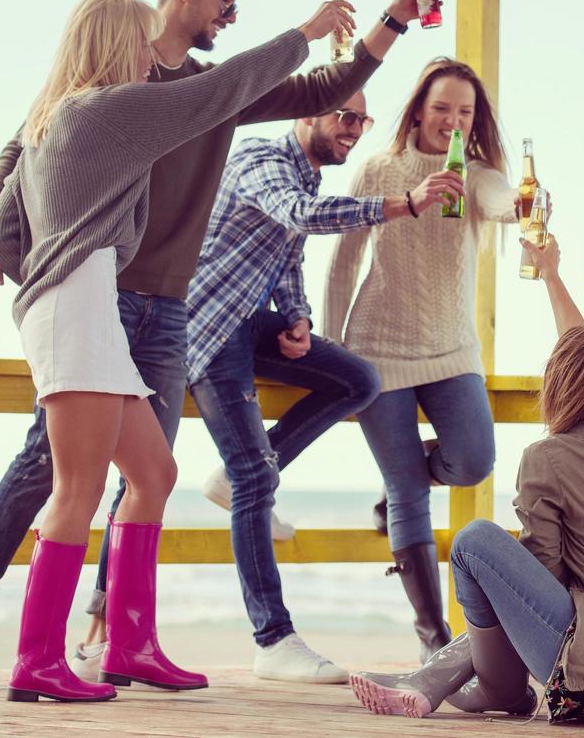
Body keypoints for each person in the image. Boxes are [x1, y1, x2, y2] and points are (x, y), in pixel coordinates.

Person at [0, 0, 426, 690]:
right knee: (66, 476)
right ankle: (3, 636)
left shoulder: (107, 104)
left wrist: (388, 22)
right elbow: (26, 153)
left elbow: (13, 214)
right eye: (224, 1)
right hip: (87, 300)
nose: (231, 15)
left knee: (152, 473)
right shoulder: (126, 102)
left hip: (136, 301)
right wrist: (305, 28)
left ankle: (124, 640)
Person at [183, 87, 464, 684]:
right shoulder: (260, 157)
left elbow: (286, 257)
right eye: (344, 116)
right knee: (255, 477)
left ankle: (239, 473)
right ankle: (273, 640)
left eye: (362, 118)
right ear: (307, 111)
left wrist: (297, 316)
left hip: (252, 322)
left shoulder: (305, 173)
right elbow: (301, 217)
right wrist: (405, 204)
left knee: (357, 378)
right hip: (208, 327)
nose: (355, 128)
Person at [348, 234, 584, 724]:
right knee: (525, 573)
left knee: (474, 543)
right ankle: (435, 679)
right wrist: (552, 276)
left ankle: (493, 689)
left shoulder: (548, 457)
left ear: (561, 385)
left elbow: (540, 576)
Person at [323, 58, 521, 661]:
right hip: (379, 348)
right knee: (409, 487)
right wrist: (330, 348)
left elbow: (500, 200)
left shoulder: (477, 174)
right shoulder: (379, 170)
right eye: (442, 110)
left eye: (465, 113)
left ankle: (397, 486)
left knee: (473, 460)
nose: (453, 122)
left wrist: (525, 202)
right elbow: (343, 263)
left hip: (452, 349)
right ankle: (432, 634)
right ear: (417, 111)